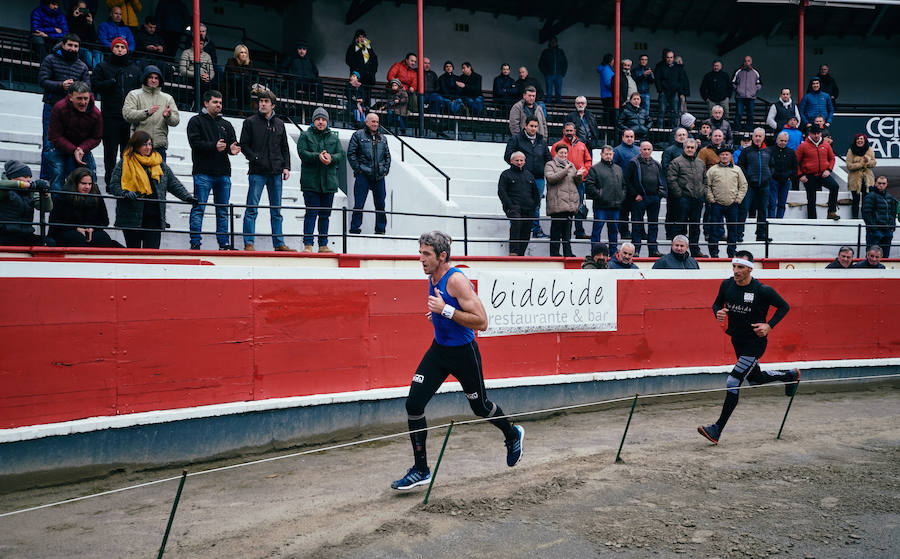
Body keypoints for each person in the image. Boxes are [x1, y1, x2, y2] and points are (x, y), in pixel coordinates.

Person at [392, 231, 525, 490]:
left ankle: (512, 434)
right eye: (420, 253)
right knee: (414, 404)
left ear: (442, 257)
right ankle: (421, 470)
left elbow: (482, 322)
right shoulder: (433, 274)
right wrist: (439, 317)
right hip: (439, 351)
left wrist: (446, 311)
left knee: (481, 407)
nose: (421, 259)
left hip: (464, 354)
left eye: (426, 254)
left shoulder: (457, 281)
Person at [697, 251, 798, 445]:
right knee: (755, 379)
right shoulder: (727, 284)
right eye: (734, 266)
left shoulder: (762, 290)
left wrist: (769, 325)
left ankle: (716, 429)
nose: (736, 271)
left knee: (732, 381)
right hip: (737, 340)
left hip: (755, 342)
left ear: (750, 268)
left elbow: (784, 306)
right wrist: (717, 312)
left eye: (741, 267)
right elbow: (717, 303)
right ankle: (790, 376)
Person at [107, 130, 196, 248]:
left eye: (150, 144)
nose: (148, 147)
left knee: (152, 252)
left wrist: (187, 197)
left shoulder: (159, 163)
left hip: (154, 216)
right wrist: (125, 193)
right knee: (134, 252)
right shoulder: (125, 163)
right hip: (131, 217)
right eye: (144, 144)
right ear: (136, 145)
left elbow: (173, 183)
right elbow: (114, 185)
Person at [239, 89, 292, 252]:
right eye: (261, 101)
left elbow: (285, 148)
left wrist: (287, 167)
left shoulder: (280, 124)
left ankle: (279, 243)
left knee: (277, 211)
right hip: (257, 172)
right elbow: (244, 145)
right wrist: (255, 158)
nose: (262, 103)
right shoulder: (250, 122)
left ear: (273, 105)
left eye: (266, 101)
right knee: (252, 208)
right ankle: (249, 243)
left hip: (276, 172)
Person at [186, 90, 239, 250]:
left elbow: (232, 144)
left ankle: (224, 244)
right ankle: (195, 243)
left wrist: (232, 149)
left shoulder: (226, 124)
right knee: (199, 208)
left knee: (223, 210)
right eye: (215, 102)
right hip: (203, 172)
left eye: (220, 103)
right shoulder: (195, 121)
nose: (219, 105)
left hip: (223, 173)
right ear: (206, 103)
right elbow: (195, 143)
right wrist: (213, 146)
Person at [38, 32, 89, 181]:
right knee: (49, 144)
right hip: (52, 107)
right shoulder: (50, 59)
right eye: (70, 45)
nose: (73, 48)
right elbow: (42, 80)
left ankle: (67, 181)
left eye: (76, 46)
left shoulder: (82, 66)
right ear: (63, 45)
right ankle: (45, 181)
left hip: (73, 111)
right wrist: (61, 85)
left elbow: (88, 87)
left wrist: (76, 90)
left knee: (70, 144)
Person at [91, 36, 141, 187]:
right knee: (110, 152)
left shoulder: (135, 69)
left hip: (129, 118)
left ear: (127, 49)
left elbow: (140, 92)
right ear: (112, 49)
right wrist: (111, 82)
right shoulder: (102, 66)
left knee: (127, 153)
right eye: (117, 47)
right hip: (110, 116)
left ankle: (125, 182)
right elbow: (95, 86)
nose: (120, 50)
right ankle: (110, 182)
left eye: (122, 47)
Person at [297, 108, 344, 253]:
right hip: (311, 182)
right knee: (311, 213)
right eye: (318, 119)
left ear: (327, 121)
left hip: (328, 183)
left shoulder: (334, 138)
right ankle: (308, 244)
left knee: (325, 215)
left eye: (323, 119)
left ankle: (323, 245)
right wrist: (318, 156)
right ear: (314, 121)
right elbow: (302, 153)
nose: (321, 122)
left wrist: (331, 158)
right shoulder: (305, 135)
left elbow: (340, 154)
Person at [46, 80, 102, 194]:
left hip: (82, 148)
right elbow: (54, 136)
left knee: (90, 176)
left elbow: (96, 137)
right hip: (59, 146)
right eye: (79, 98)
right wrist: (74, 149)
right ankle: (57, 207)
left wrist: (81, 149)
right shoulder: (59, 108)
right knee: (57, 172)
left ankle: (92, 205)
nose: (83, 102)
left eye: (86, 98)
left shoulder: (96, 113)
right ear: (70, 97)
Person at [49, 167, 122, 247]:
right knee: (77, 238)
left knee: (103, 239)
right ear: (75, 183)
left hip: (90, 231)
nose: (87, 187)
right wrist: (76, 229)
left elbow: (104, 221)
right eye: (83, 183)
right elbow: (55, 222)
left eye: (90, 184)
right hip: (66, 231)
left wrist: (92, 229)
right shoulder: (63, 196)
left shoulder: (95, 195)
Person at [505, 116, 551, 239]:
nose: (533, 129)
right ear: (525, 126)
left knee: (536, 204)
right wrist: (519, 167)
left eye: (536, 126)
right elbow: (508, 156)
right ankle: (517, 228)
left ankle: (536, 229)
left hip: (538, 178)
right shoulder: (516, 139)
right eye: (531, 126)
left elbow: (548, 158)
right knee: (518, 203)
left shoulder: (542, 141)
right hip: (520, 177)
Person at [122, 65, 179, 161]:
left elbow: (175, 121)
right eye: (150, 77)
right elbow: (127, 114)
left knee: (159, 176)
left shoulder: (167, 98)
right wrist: (146, 112)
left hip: (159, 147)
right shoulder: (134, 94)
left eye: (156, 78)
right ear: (145, 78)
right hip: (139, 145)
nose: (153, 80)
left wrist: (168, 116)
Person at [348, 113, 391, 235]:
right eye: (372, 121)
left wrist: (385, 169)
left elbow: (387, 156)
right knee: (359, 204)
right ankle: (355, 229)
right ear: (366, 122)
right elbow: (351, 154)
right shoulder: (357, 135)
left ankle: (380, 229)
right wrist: (359, 169)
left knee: (381, 205)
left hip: (379, 176)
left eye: (377, 122)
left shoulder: (383, 138)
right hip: (363, 175)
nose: (375, 124)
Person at [666, 138, 707, 257]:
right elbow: (671, 179)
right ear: (684, 148)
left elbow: (705, 179)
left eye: (692, 147)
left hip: (697, 199)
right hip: (682, 200)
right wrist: (679, 194)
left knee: (695, 227)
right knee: (679, 226)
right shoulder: (676, 162)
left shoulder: (700, 163)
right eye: (687, 147)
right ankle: (676, 251)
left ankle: (695, 250)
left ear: (695, 148)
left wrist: (703, 192)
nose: (690, 149)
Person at [625, 141, 666, 257]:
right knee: (637, 224)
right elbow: (627, 181)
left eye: (649, 149)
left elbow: (662, 180)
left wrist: (660, 194)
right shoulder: (634, 163)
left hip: (654, 198)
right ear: (640, 150)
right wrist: (635, 195)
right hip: (640, 198)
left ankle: (653, 250)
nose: (646, 151)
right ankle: (636, 250)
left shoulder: (657, 164)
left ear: (652, 150)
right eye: (644, 149)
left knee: (653, 225)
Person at [551, 122, 591, 239]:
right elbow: (553, 162)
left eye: (571, 131)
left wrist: (584, 172)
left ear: (575, 131)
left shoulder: (582, 145)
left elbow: (588, 161)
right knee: (564, 208)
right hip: (563, 182)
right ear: (563, 131)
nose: (569, 133)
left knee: (578, 207)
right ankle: (564, 233)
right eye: (567, 131)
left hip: (579, 181)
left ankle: (579, 231)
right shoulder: (557, 146)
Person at [706, 145, 747, 258]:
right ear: (719, 156)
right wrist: (711, 199)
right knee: (714, 229)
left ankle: (732, 252)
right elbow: (706, 185)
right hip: (716, 204)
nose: (724, 156)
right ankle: (714, 253)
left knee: (732, 229)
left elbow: (743, 185)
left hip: (732, 204)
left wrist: (738, 199)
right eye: (722, 154)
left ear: (730, 156)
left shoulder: (737, 170)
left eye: (727, 154)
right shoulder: (713, 170)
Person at [0, 161, 54, 246]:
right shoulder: (4, 189)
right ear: (13, 177)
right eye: (25, 177)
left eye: (30, 177)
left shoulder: (29, 192)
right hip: (5, 233)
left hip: (25, 234)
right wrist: (25, 185)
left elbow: (47, 208)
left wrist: (45, 194)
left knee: (49, 243)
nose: (29, 180)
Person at [498, 151, 539, 257]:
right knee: (516, 224)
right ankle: (514, 252)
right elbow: (502, 192)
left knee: (526, 230)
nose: (519, 162)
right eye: (517, 160)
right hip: (514, 207)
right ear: (511, 161)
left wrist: (534, 205)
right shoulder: (505, 174)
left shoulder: (529, 175)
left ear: (525, 161)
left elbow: (535, 192)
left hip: (529, 208)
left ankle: (521, 254)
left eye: (521, 160)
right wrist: (510, 206)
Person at [585, 145, 625, 252]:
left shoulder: (618, 168)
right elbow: (589, 185)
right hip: (601, 206)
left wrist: (622, 196)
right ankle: (595, 252)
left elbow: (623, 185)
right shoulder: (595, 168)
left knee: (614, 231)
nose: (608, 156)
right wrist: (599, 195)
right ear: (601, 154)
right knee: (597, 229)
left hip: (615, 205)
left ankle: (613, 251)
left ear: (613, 155)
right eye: (606, 154)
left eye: (610, 154)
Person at [737, 128, 774, 242]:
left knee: (763, 210)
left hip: (764, 185)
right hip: (749, 186)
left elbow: (772, 166)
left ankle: (761, 234)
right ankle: (739, 234)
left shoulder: (768, 151)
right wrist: (747, 178)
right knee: (743, 210)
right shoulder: (746, 151)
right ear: (753, 137)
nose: (758, 138)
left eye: (760, 136)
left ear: (763, 137)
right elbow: (740, 166)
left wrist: (768, 175)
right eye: (756, 136)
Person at [795, 125, 839, 220]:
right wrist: (800, 175)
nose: (816, 136)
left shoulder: (826, 144)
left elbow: (832, 158)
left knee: (835, 186)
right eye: (814, 133)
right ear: (809, 134)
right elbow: (795, 162)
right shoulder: (803, 146)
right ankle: (812, 220)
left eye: (818, 133)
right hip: (809, 176)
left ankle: (831, 212)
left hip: (823, 174)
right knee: (811, 199)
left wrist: (829, 170)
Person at [544, 144, 579, 258]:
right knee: (556, 232)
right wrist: (565, 171)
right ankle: (554, 254)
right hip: (557, 203)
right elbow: (551, 178)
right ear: (556, 153)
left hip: (569, 203)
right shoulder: (550, 164)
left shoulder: (571, 165)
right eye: (561, 153)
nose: (563, 155)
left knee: (567, 232)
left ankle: (567, 253)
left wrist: (579, 176)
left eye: (565, 153)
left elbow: (575, 182)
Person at [862, 176, 896, 258]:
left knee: (885, 257)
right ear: (875, 183)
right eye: (879, 183)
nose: (881, 185)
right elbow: (866, 214)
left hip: (887, 231)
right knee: (871, 256)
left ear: (886, 185)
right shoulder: (870, 196)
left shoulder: (889, 197)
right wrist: (874, 228)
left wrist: (892, 226)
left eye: (883, 183)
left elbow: (893, 213)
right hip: (875, 232)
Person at [846, 133, 877, 220]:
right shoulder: (851, 151)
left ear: (864, 140)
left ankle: (865, 219)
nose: (859, 141)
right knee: (855, 200)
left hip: (867, 178)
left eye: (861, 139)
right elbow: (849, 166)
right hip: (854, 179)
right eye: (858, 139)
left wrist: (867, 162)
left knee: (866, 201)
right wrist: (862, 163)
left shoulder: (870, 150)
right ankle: (855, 218)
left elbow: (874, 163)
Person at [768, 131, 798, 219]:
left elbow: (795, 167)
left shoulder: (791, 152)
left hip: (785, 181)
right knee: (772, 203)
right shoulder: (770, 150)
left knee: (782, 204)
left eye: (785, 141)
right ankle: (771, 220)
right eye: (781, 140)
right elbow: (768, 165)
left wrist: (789, 177)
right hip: (773, 180)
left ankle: (780, 221)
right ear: (777, 140)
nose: (783, 142)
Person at [653, 49, 685, 128]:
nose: (669, 59)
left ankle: (674, 130)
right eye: (668, 57)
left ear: (673, 58)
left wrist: (680, 92)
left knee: (675, 112)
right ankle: (659, 130)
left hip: (674, 92)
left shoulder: (678, 68)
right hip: (663, 92)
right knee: (661, 111)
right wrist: (660, 90)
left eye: (671, 57)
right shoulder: (660, 66)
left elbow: (681, 80)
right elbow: (657, 79)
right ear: (665, 58)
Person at [731, 56, 761, 131]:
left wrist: (754, 91)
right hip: (740, 97)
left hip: (751, 97)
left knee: (750, 114)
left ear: (751, 62)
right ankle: (737, 129)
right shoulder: (738, 71)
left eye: (748, 61)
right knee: (739, 114)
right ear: (743, 62)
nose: (747, 62)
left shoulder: (755, 72)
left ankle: (749, 129)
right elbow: (733, 83)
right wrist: (738, 90)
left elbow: (759, 84)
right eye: (745, 61)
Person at [67, 1, 98, 68]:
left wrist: (91, 24)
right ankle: (97, 71)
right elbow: (70, 32)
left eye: (84, 9)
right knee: (86, 53)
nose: (82, 11)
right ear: (76, 8)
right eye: (81, 9)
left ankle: (97, 70)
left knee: (98, 53)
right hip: (78, 47)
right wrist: (74, 17)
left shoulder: (87, 20)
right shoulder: (70, 17)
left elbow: (94, 38)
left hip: (88, 46)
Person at [539, 36, 567, 103]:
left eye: (554, 42)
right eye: (552, 42)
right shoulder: (546, 52)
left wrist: (563, 73)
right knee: (549, 92)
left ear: (556, 43)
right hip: (549, 75)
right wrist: (545, 73)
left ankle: (559, 106)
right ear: (549, 43)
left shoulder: (560, 52)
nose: (553, 43)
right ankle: (548, 105)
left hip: (559, 75)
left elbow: (565, 63)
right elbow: (540, 64)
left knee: (558, 92)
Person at [596, 54, 615, 126]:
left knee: (608, 113)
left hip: (607, 95)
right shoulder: (606, 69)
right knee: (609, 114)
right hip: (608, 95)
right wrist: (617, 88)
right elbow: (608, 83)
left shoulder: (606, 68)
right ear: (610, 61)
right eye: (613, 60)